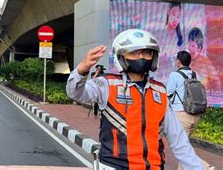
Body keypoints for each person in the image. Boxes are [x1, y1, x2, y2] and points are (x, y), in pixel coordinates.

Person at [66, 29, 205, 169]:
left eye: (146, 52)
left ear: (153, 56)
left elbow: (179, 141)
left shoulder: (160, 91)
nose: (141, 57)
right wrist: (82, 70)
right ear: (121, 56)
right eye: (134, 52)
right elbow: (75, 93)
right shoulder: (107, 84)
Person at [167, 51, 212, 170]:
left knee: (182, 148)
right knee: (184, 146)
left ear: (178, 62)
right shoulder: (194, 74)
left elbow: (168, 92)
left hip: (181, 115)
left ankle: (206, 167)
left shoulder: (174, 75)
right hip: (195, 114)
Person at [187, 27, 220, 92]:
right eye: (189, 45)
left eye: (193, 46)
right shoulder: (186, 61)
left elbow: (216, 81)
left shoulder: (205, 62)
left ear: (200, 48)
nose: (190, 48)